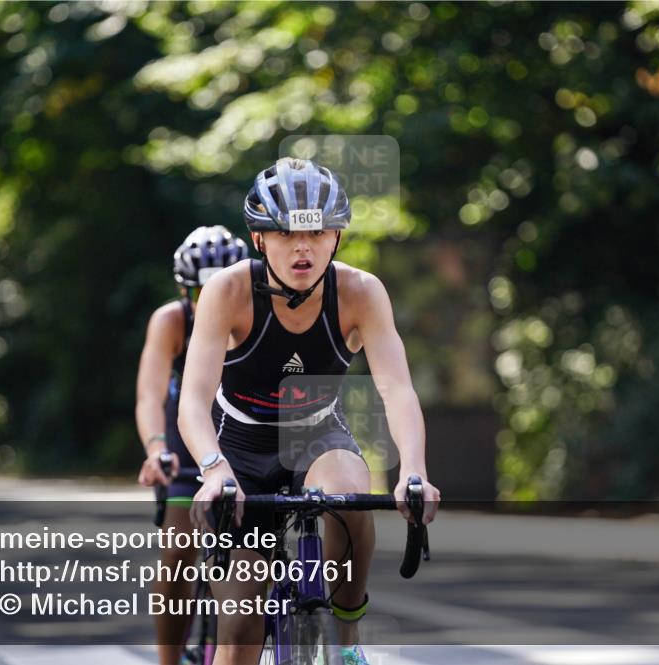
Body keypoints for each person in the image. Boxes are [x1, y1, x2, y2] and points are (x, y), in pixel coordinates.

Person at [179, 158, 441, 665]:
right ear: (259, 238)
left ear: (336, 236)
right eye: (286, 234)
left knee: (350, 496)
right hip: (240, 448)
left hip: (317, 435)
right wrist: (214, 470)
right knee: (239, 627)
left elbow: (397, 390)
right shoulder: (227, 291)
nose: (303, 247)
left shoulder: (360, 292)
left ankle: (347, 639)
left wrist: (413, 470)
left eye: (317, 233)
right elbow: (193, 399)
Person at [135, 226, 248, 665]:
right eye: (201, 290)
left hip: (243, 440)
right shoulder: (172, 321)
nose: (212, 297)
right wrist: (156, 448)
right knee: (180, 550)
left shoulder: (259, 315)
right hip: (185, 444)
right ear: (185, 290)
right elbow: (150, 394)